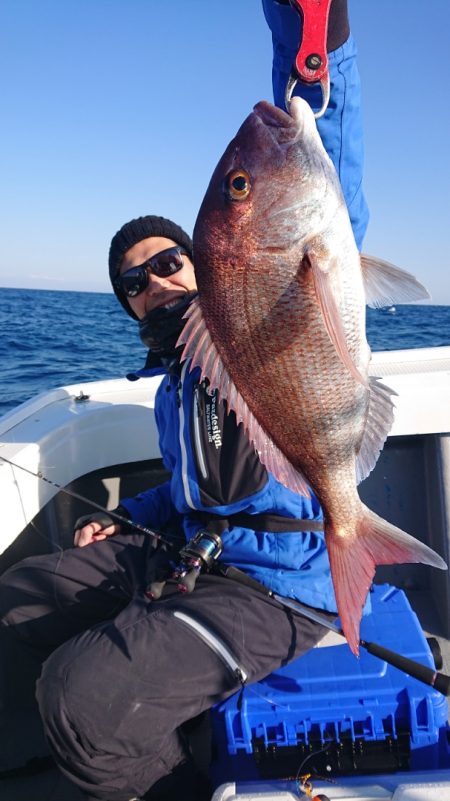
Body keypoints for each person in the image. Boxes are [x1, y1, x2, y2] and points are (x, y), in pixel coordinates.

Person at [0, 2, 367, 800]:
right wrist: (138, 509)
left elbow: (321, 157)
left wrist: (313, 39)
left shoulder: (265, 299)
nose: (156, 280)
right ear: (128, 305)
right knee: (18, 599)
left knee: (78, 696)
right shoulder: (172, 388)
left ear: (206, 261)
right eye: (134, 280)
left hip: (278, 588)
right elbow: (196, 490)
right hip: (193, 556)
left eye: (170, 258)